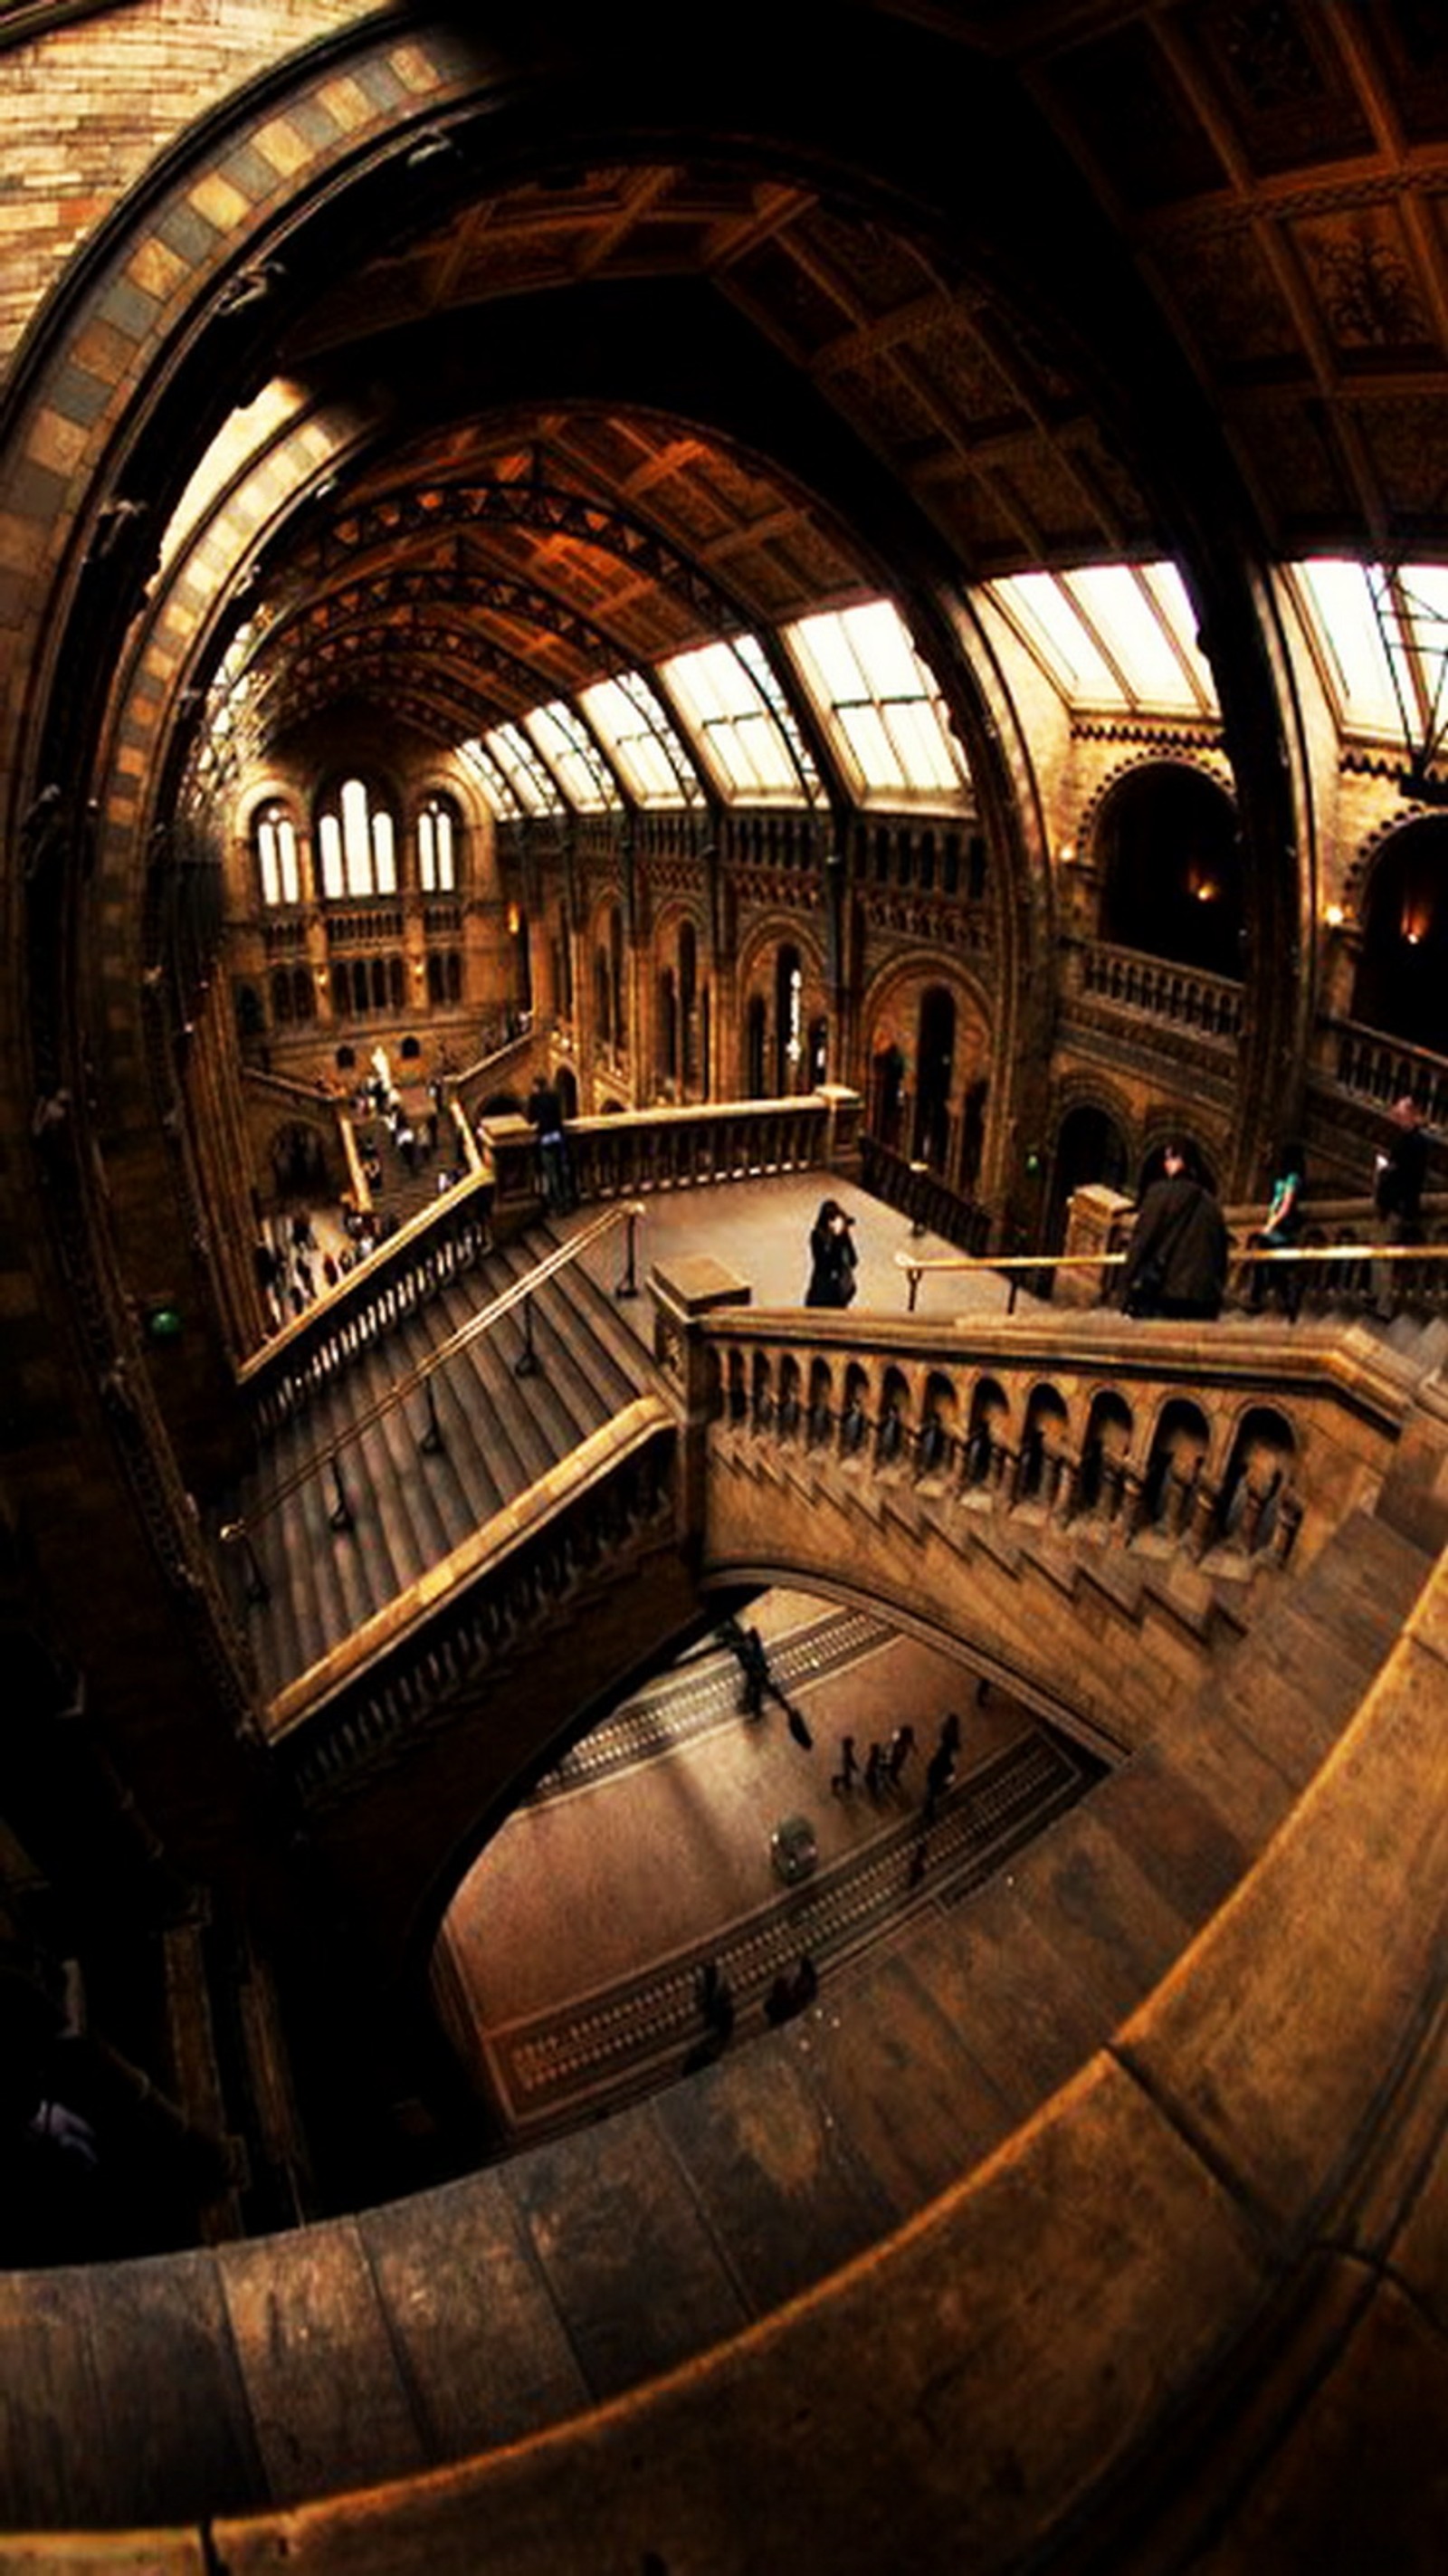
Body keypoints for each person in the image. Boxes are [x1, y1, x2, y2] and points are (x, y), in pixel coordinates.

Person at [1119, 1142, 1229, 1321]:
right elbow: (1221, 1254)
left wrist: (1125, 1285)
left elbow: (1142, 1240)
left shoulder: (1159, 1194)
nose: (1166, 1164)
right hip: (1203, 1299)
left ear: (1181, 1161)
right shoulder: (1211, 1203)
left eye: (1170, 1158)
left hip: (1164, 1293)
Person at [1247, 1140, 1307, 1315]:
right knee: (1268, 1262)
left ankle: (1267, 1298)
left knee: (1274, 1263)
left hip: (1281, 1228)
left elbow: (1286, 1205)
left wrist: (1270, 1225)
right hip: (1275, 1225)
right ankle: (1263, 1297)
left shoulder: (1293, 1178)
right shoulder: (1283, 1175)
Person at [528, 1073, 572, 1214]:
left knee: (552, 1173)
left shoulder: (534, 1099)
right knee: (563, 1171)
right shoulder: (554, 1097)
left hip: (546, 1139)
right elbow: (559, 1115)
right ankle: (567, 1202)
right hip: (558, 1137)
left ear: (536, 1087)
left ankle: (559, 1206)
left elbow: (531, 1119)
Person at [805, 1198, 858, 1308]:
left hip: (839, 1292)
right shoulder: (817, 1236)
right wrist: (836, 1239)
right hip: (822, 1291)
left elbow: (853, 1260)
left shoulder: (843, 1236)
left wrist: (843, 1237)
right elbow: (824, 1264)